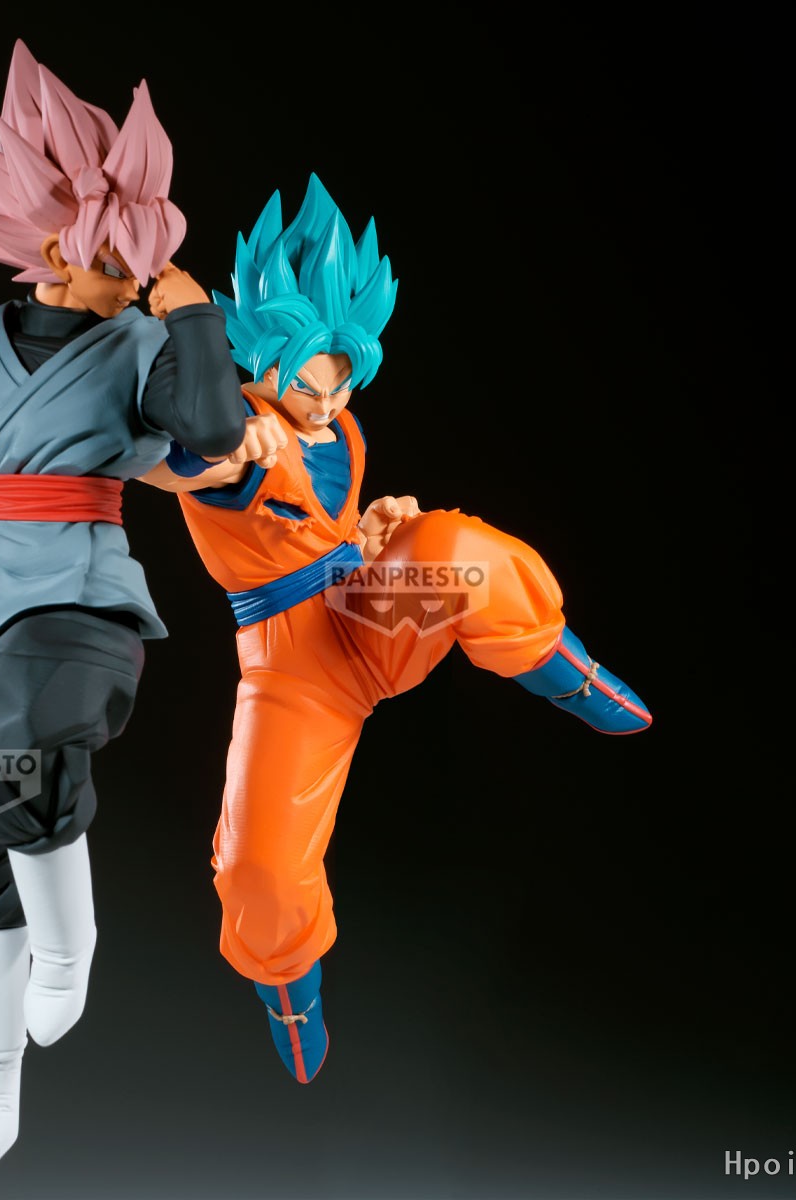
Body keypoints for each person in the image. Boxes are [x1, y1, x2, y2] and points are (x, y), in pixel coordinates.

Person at [139, 174, 651, 1086]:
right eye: (309, 383)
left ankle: (566, 669)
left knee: (451, 549)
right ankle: (290, 995)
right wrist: (192, 333)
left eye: (341, 380)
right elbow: (163, 455)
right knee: (260, 866)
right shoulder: (235, 428)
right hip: (292, 668)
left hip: (365, 614)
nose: (326, 402)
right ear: (263, 357)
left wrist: (370, 536)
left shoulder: (344, 433)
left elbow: (329, 529)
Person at [0, 39, 245, 1169]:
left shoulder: (145, 347)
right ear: (61, 246)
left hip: (79, 592)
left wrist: (193, 315)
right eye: (124, 250)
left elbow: (214, 430)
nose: (137, 272)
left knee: (18, 746)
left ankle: (69, 946)